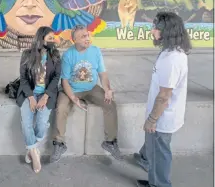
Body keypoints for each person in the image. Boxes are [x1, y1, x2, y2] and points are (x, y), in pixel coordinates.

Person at [134, 12, 192, 187]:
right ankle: (153, 177)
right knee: (156, 151)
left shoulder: (171, 59)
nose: (152, 31)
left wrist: (151, 120)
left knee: (161, 154)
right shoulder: (173, 52)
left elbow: (164, 96)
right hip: (165, 115)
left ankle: (160, 184)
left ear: (167, 31)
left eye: (156, 28)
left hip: (162, 117)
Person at [50, 24, 121, 163]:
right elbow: (64, 81)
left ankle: (110, 142)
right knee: (61, 108)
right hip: (71, 88)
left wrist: (107, 89)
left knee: (110, 104)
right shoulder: (68, 55)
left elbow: (103, 73)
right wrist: (73, 98)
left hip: (91, 88)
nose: (87, 38)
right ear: (74, 40)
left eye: (88, 35)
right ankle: (59, 144)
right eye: (83, 37)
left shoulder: (95, 51)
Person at [16, 26, 61, 173]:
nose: (52, 41)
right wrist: (31, 98)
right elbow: (23, 79)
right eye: (50, 38)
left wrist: (45, 96)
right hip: (28, 94)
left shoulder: (55, 55)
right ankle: (35, 155)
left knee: (41, 124)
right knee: (26, 123)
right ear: (41, 39)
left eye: (53, 38)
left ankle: (31, 149)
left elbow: (56, 78)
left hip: (46, 94)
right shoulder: (27, 54)